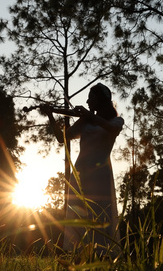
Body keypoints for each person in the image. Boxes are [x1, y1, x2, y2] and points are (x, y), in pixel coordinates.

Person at [41, 83, 123, 254]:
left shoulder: (116, 121)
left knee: (101, 213)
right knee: (79, 213)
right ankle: (79, 254)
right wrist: (50, 115)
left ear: (100, 100)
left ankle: (102, 254)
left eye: (90, 97)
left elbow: (113, 129)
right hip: (81, 172)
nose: (87, 101)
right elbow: (61, 138)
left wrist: (89, 116)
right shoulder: (85, 121)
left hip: (100, 174)